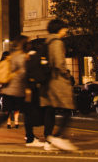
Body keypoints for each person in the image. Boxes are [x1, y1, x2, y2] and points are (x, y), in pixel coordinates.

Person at [0, 37, 43, 146]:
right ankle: (30, 139)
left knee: (7, 114)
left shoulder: (13, 56)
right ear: (24, 45)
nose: (30, 45)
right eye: (28, 43)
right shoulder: (21, 57)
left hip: (8, 90)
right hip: (17, 91)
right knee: (28, 113)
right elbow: (23, 73)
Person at [40, 19, 77, 151]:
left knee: (50, 110)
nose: (66, 31)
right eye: (64, 28)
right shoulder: (57, 42)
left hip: (48, 82)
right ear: (59, 29)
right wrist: (67, 75)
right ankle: (57, 136)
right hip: (57, 81)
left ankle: (48, 141)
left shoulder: (46, 42)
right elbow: (59, 63)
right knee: (68, 109)